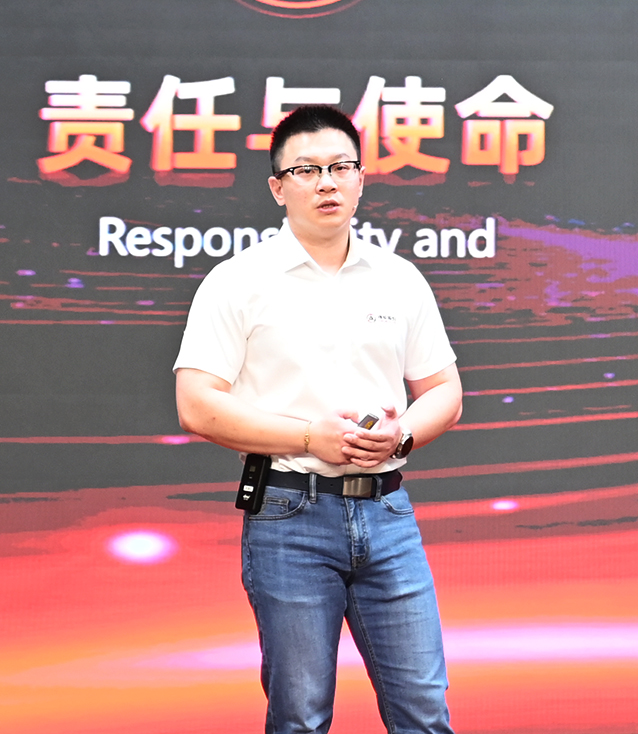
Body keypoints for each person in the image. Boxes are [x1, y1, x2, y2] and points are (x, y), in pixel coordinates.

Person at [173, 104, 462, 734]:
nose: (326, 183)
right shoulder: (237, 281)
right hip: (289, 514)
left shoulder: (399, 278)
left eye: (340, 167)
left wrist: (403, 435)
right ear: (278, 188)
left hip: (387, 513)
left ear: (361, 179)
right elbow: (196, 403)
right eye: (306, 170)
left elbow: (444, 389)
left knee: (425, 711)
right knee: (300, 717)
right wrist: (310, 437)